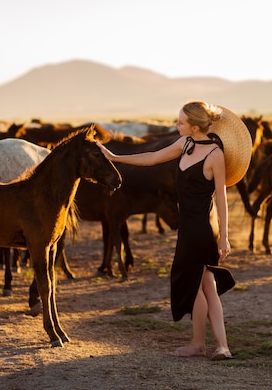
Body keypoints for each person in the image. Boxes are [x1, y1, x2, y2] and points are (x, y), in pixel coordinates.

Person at [96, 101, 235, 361]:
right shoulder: (185, 144)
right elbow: (151, 157)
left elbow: (222, 197)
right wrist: (116, 158)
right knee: (203, 284)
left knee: (199, 283)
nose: (176, 125)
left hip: (203, 228)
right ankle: (213, 345)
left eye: (180, 122)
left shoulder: (215, 154)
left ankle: (207, 345)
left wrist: (225, 236)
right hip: (187, 226)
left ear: (195, 126)